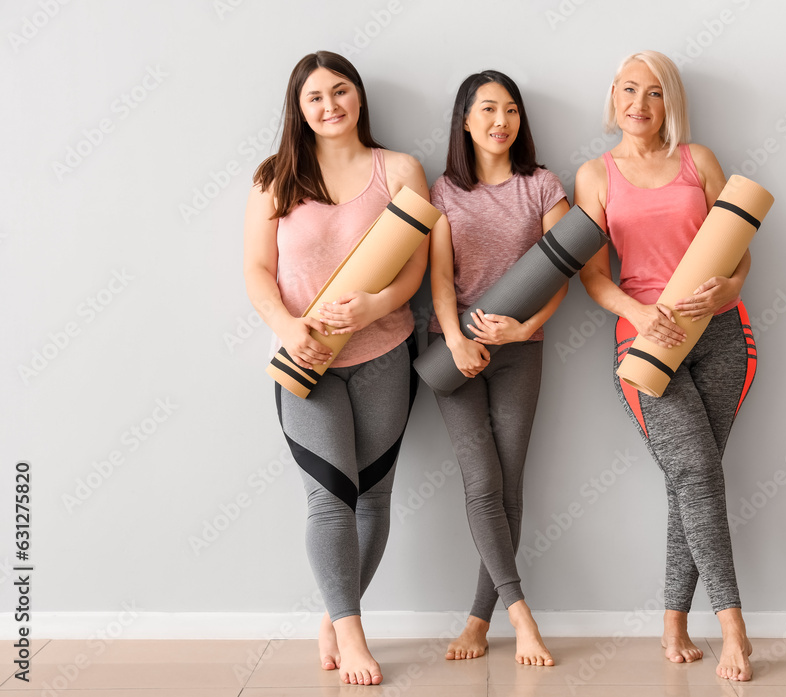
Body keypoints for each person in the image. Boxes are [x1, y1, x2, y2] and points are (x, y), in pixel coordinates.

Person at [242, 51, 429, 686]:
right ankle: (354, 637)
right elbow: (256, 271)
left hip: (384, 353)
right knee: (330, 499)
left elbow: (415, 266)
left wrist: (376, 303)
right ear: (299, 109)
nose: (330, 106)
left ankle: (335, 617)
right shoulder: (275, 177)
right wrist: (290, 328)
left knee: (373, 496)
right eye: (315, 97)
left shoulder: (399, 169)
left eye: (341, 91)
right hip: (304, 363)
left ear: (359, 97)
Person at [575, 50, 757, 682]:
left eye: (654, 93)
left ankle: (674, 622)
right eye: (628, 90)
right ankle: (735, 627)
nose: (639, 104)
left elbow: (738, 252)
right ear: (613, 97)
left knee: (693, 481)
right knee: (698, 472)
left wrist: (730, 291)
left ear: (669, 103)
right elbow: (593, 276)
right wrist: (638, 309)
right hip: (644, 343)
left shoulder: (698, 162)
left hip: (723, 339)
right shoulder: (595, 176)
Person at [427, 70, 570, 667]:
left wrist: (527, 327)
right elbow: (437, 277)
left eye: (510, 110)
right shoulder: (443, 191)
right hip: (453, 352)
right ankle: (522, 616)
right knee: (481, 482)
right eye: (487, 110)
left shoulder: (542, 186)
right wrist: (456, 338)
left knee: (509, 487)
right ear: (465, 119)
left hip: (520, 350)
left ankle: (480, 619)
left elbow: (563, 271)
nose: (500, 122)